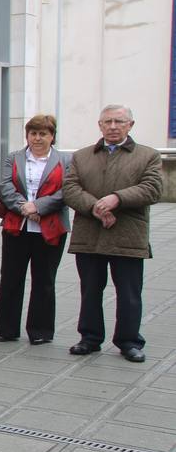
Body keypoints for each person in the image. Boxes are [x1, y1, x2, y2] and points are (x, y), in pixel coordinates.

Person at [62, 105, 163, 362]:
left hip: (127, 235)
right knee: (90, 290)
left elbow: (152, 189)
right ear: (99, 125)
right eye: (107, 121)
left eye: (119, 121)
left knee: (129, 293)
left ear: (131, 125)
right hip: (90, 234)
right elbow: (70, 188)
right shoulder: (83, 156)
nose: (113, 126)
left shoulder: (148, 155)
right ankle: (90, 338)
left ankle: (129, 341)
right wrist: (95, 206)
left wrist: (116, 199)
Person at [0, 115, 72, 345]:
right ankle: (7, 329)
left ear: (52, 136)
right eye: (33, 133)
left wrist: (39, 206)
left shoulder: (65, 161)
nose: (37, 138)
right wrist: (25, 208)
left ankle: (40, 330)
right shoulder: (13, 158)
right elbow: (5, 186)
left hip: (50, 229)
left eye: (43, 134)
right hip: (17, 227)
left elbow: (67, 190)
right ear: (27, 135)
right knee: (10, 278)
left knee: (44, 280)